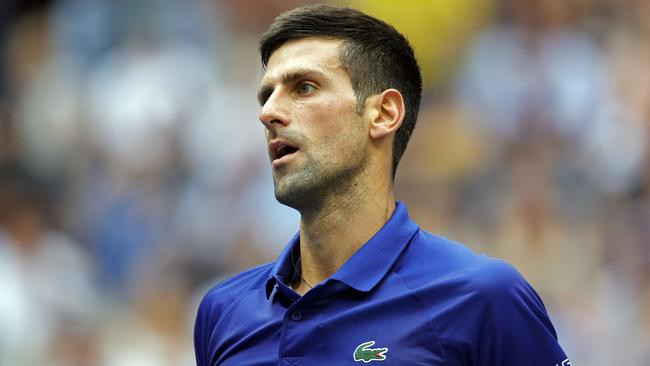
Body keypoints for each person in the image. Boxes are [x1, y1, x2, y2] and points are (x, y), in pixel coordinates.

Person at [194, 5, 570, 365]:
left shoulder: (483, 298)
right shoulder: (223, 312)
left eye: (304, 88)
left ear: (384, 114)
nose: (268, 113)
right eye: (266, 94)